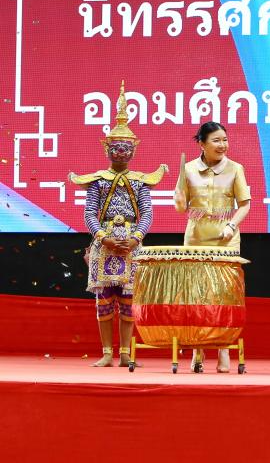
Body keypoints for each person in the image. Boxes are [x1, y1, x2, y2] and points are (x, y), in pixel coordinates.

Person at [70, 81, 167, 368]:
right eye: (116, 147)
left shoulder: (140, 182)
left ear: (133, 150)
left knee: (128, 301)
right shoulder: (98, 181)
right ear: (107, 149)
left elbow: (147, 214)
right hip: (104, 245)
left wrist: (136, 238)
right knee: (104, 301)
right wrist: (103, 237)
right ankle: (106, 353)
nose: (121, 152)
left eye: (126, 148)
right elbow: (89, 213)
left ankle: (125, 352)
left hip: (131, 245)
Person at [173, 121, 252, 373]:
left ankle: (223, 349)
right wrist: (179, 200)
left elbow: (245, 204)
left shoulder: (235, 169)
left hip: (226, 240)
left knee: (224, 296)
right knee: (197, 296)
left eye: (224, 140)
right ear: (202, 144)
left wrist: (231, 225)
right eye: (216, 140)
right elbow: (181, 208)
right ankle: (198, 349)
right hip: (195, 239)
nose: (222, 145)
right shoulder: (188, 169)